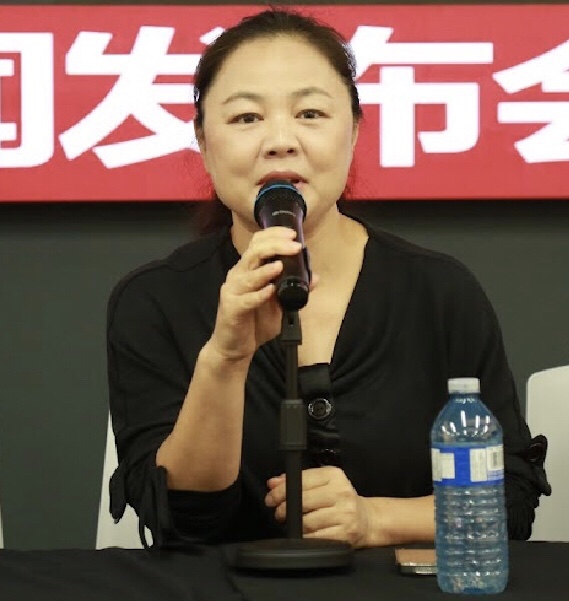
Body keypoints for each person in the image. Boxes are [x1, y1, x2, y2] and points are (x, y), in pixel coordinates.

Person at [106, 8, 550, 549]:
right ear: (203, 141)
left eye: (310, 113)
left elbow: (511, 501)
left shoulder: (438, 294)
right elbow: (180, 521)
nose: (280, 141)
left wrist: (374, 520)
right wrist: (224, 359)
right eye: (245, 118)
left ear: (355, 130)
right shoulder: (154, 301)